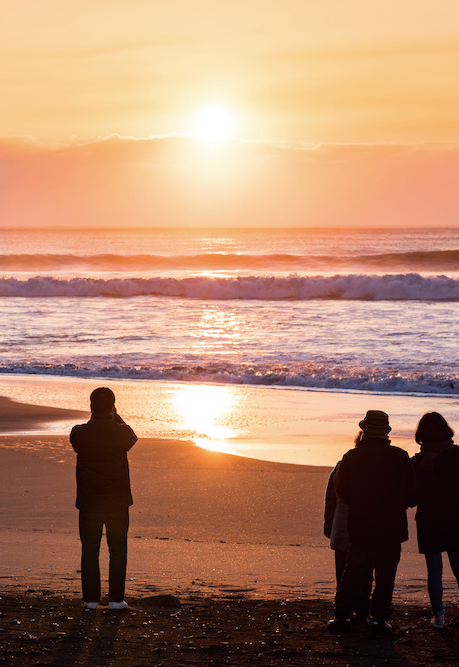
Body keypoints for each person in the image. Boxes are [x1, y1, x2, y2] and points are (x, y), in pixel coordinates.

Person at [327, 410, 416, 632]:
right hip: (391, 523)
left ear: (364, 430)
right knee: (386, 573)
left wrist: (362, 504)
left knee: (354, 569)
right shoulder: (400, 456)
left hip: (360, 522)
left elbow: (344, 493)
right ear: (386, 432)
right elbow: (412, 495)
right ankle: (379, 619)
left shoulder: (351, 457)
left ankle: (343, 616)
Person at [70, 387, 137, 610]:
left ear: (90, 407)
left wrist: (99, 414)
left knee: (90, 550)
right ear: (113, 407)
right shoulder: (122, 433)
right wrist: (114, 414)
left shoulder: (79, 433)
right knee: (117, 550)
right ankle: (116, 599)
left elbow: (80, 441)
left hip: (90, 503)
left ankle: (91, 599)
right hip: (117, 503)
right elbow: (131, 435)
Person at [411, 412, 459, 629]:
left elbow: (412, 496)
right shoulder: (457, 456)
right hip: (456, 517)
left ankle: (438, 617)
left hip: (429, 519)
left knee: (434, 570)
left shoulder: (418, 462)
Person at [324, 432, 370, 621]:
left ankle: (344, 611)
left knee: (343, 572)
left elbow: (331, 499)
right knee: (365, 572)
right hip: (366, 528)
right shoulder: (372, 468)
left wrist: (329, 526)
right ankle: (361, 611)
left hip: (342, 527)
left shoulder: (341, 466)